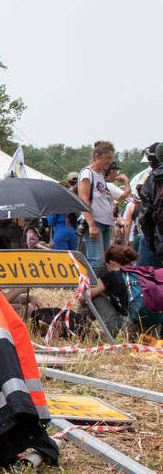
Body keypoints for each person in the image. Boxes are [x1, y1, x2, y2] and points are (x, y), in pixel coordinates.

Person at [79, 141, 131, 274]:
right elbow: (84, 200)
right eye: (107, 159)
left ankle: (99, 291)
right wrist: (91, 225)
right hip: (95, 222)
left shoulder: (101, 175)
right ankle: (89, 291)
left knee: (105, 261)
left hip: (105, 223)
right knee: (96, 261)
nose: (109, 163)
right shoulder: (87, 173)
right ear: (97, 156)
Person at [89, 245, 163, 335]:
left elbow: (85, 295)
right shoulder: (142, 272)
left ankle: (79, 327)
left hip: (126, 330)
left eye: (107, 266)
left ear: (112, 263)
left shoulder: (113, 275)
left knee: (95, 297)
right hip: (153, 329)